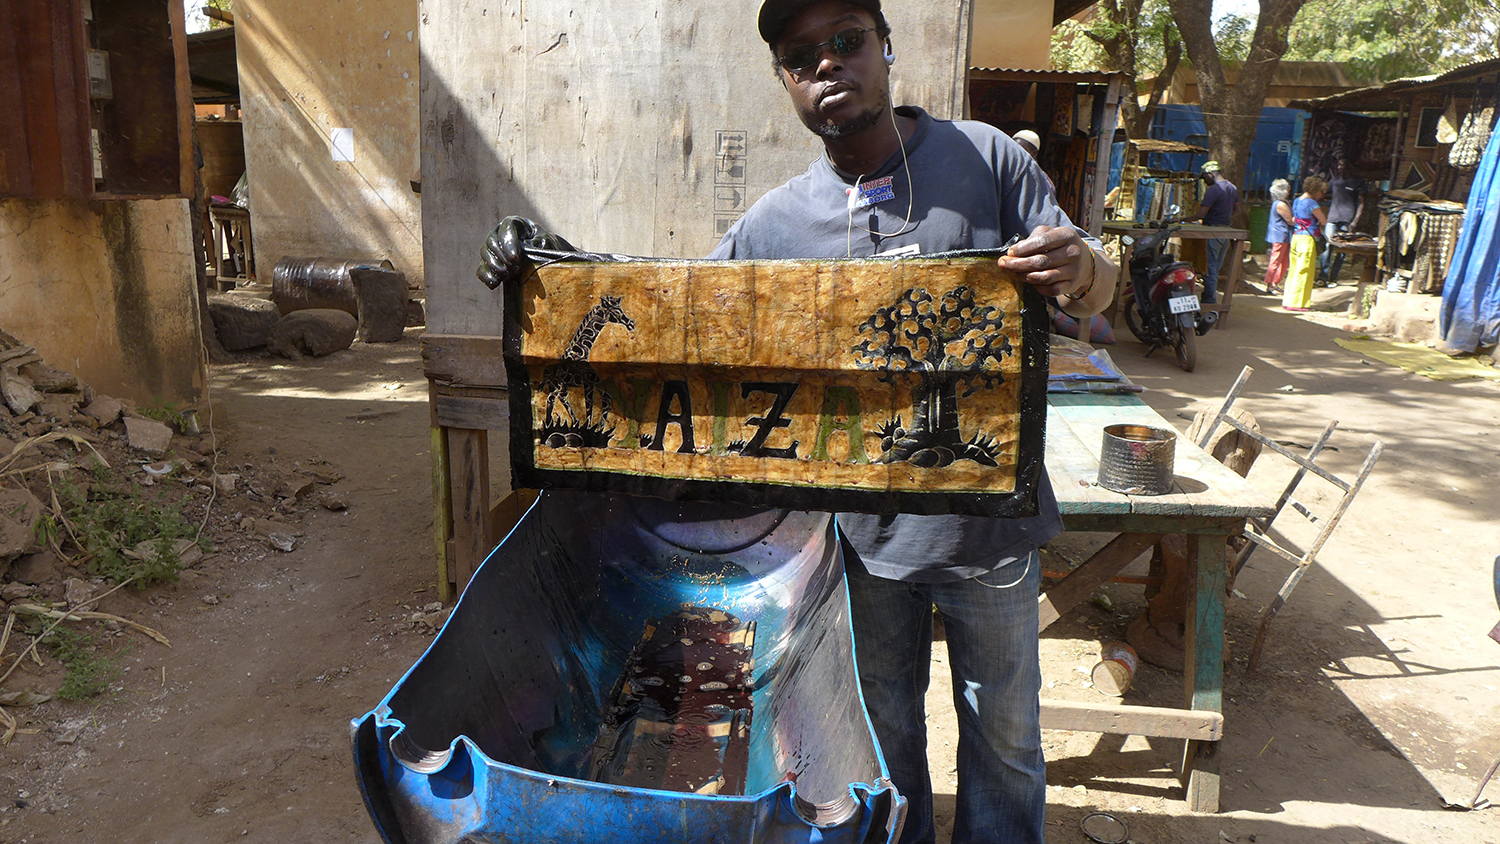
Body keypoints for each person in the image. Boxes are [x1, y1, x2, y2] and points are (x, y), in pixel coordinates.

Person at [477, 3, 1116, 841]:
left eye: (847, 41)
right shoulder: (774, 225)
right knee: (884, 740)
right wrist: (547, 269)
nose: (828, 65)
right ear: (785, 79)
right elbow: (671, 322)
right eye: (800, 54)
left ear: (885, 48)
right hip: (858, 549)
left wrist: (1085, 263)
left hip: (991, 539)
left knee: (1006, 739)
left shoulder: (987, 157)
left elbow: (1091, 295)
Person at [1177, 160, 1240, 305]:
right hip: (1225, 232)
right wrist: (1224, 217)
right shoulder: (1232, 187)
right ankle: (1208, 297)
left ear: (1211, 174)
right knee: (1215, 268)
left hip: (1212, 232)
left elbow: (1201, 214)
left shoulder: (1213, 189)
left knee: (1209, 269)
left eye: (1204, 178)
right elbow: (1238, 209)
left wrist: (1180, 219)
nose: (1204, 182)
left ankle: (1210, 302)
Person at [1320, 158, 1367, 285]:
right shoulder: (1334, 181)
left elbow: (1362, 203)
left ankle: (1333, 277)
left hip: (1347, 220)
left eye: (1342, 165)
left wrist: (1355, 222)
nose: (1339, 167)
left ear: (1349, 167)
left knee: (1342, 249)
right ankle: (1322, 277)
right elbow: (1324, 195)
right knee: (1328, 246)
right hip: (1332, 219)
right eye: (1338, 165)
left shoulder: (1358, 182)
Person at [1284, 176, 1327, 311]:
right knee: (1304, 271)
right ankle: (1298, 303)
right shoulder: (1311, 203)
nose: (1322, 195)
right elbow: (1324, 220)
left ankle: (1288, 300)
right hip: (1307, 239)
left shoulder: (1296, 201)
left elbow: (1294, 218)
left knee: (1294, 270)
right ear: (1317, 190)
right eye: (1322, 192)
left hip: (1296, 237)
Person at [1262, 178, 1294, 295]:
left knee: (1285, 262)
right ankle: (1269, 284)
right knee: (1275, 260)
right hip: (1280, 235)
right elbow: (1290, 221)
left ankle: (1275, 283)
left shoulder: (1283, 202)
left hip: (1284, 236)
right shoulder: (1280, 204)